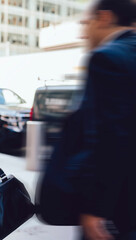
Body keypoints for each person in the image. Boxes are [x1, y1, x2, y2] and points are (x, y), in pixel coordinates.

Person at [38, 1, 136, 239]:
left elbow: (109, 139)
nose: (83, 33)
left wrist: (95, 209)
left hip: (116, 210)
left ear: (104, 18)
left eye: (85, 23)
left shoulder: (107, 58)